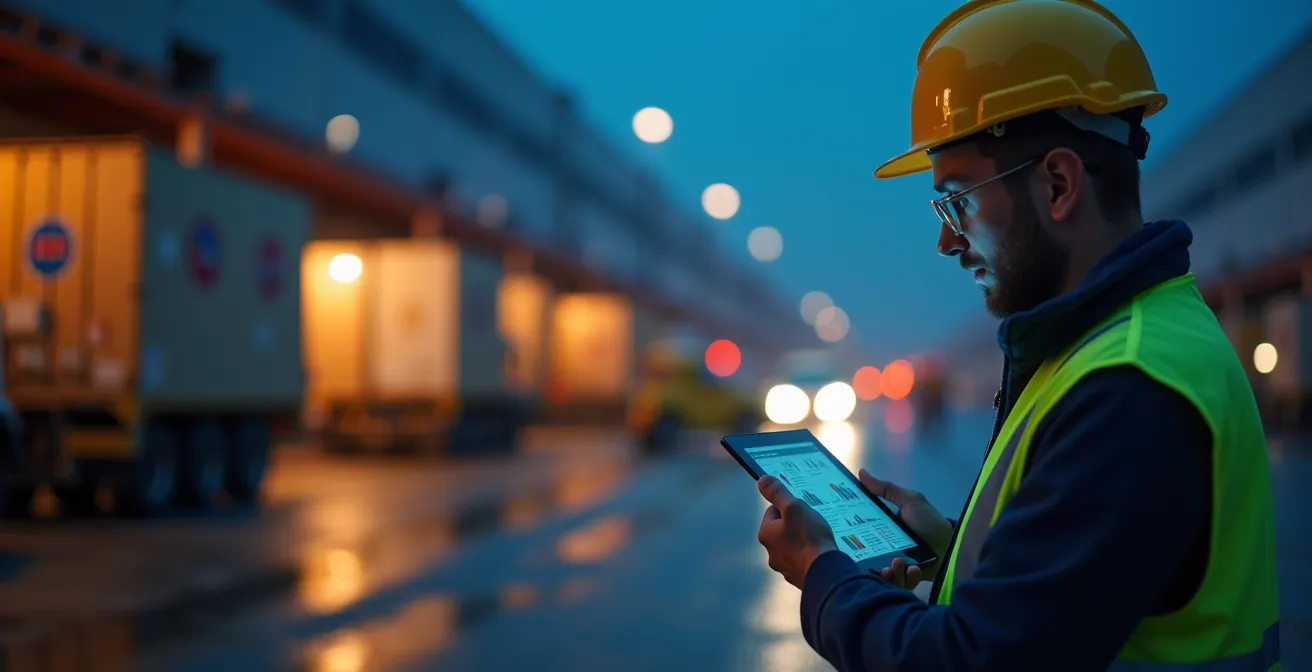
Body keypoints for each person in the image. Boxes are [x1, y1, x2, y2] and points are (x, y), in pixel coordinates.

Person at [752, 1, 1282, 669]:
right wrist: (948, 545)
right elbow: (1074, 603)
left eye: (958, 201)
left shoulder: (1127, 388)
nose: (946, 241)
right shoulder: (1113, 344)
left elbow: (973, 660)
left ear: (1058, 184)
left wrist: (823, 572)